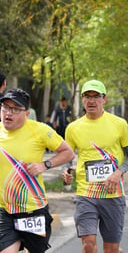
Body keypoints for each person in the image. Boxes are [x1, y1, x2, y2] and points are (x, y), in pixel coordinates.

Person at [63, 80, 128, 253]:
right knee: (88, 244)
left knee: (111, 249)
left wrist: (119, 172)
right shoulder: (73, 128)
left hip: (113, 193)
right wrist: (66, 171)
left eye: (96, 96)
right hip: (85, 194)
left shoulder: (119, 124)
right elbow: (68, 156)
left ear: (104, 99)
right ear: (82, 99)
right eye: (87, 96)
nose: (91, 101)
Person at [0, 88, 75, 253]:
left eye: (15, 109)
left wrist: (45, 165)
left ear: (26, 113)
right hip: (4, 210)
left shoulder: (40, 130)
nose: (8, 112)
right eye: (5, 107)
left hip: (33, 209)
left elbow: (67, 152)